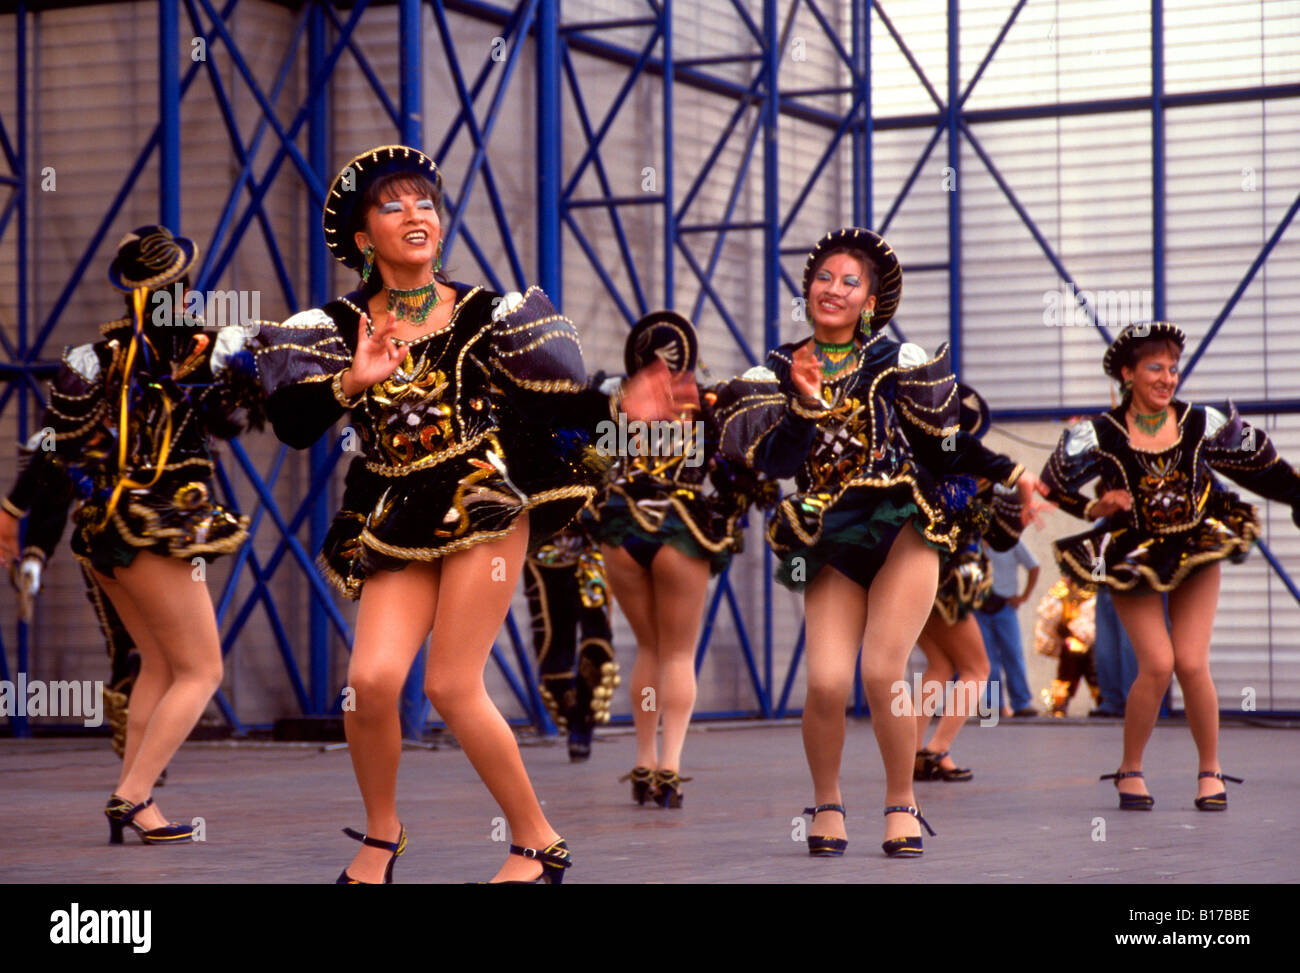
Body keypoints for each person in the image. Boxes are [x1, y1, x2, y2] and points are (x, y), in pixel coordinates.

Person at [254, 145, 681, 883]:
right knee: (373, 681)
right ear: (362, 239)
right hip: (396, 507)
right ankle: (382, 835)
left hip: (483, 500)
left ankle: (535, 838)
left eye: (426, 203)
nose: (415, 214)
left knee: (451, 683)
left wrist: (617, 403)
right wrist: (350, 384)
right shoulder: (336, 325)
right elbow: (291, 422)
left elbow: (554, 401)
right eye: (392, 205)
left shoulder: (489, 314)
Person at [714, 227, 1044, 856]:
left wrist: (1010, 471)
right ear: (807, 288)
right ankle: (829, 801)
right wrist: (804, 406)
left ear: (869, 301)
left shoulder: (897, 364)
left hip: (902, 525)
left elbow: (940, 445)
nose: (832, 288)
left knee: (884, 669)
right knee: (827, 681)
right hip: (827, 536)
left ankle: (902, 800)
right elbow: (773, 463)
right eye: (823, 277)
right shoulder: (777, 370)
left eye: (849, 281)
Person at [0, 225, 264, 844]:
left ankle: (138, 804)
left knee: (159, 667)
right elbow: (242, 413)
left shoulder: (91, 360)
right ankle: (132, 794)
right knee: (202, 671)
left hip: (100, 535)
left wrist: (13, 512)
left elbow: (49, 451)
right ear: (181, 283)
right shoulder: (203, 351)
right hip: (154, 529)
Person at [1041, 321, 1300, 811]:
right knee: (1157, 664)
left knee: (1191, 662)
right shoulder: (1099, 433)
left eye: (1173, 369)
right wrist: (1093, 509)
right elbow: (1052, 484)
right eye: (1155, 368)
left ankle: (1210, 770)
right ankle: (1130, 768)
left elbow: (1259, 464)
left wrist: (1295, 492)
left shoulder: (1203, 422)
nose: (1167, 378)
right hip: (1133, 555)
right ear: (1128, 373)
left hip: (1197, 544)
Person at [594, 311, 769, 808]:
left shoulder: (614, 401)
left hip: (620, 527)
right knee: (676, 654)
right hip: (682, 528)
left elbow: (589, 460)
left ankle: (643, 760)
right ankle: (669, 766)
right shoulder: (703, 403)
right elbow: (738, 467)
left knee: (648, 649)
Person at [914, 386, 1030, 781]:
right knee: (977, 668)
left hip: (911, 576)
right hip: (948, 578)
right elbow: (1000, 535)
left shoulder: (915, 461)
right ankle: (936, 748)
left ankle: (911, 752)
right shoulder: (967, 473)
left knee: (940, 665)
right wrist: (1021, 504)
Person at [522, 508, 619, 762]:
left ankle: (583, 721)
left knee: (597, 643)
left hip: (592, 548)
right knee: (551, 650)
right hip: (541, 554)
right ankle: (575, 716)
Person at [976, 533, 1040, 718]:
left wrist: (1024, 596)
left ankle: (1022, 702)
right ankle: (992, 705)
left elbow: (1034, 566)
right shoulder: (974, 541)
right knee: (987, 658)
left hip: (1005, 606)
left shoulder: (1012, 540)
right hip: (979, 607)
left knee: (1013, 653)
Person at [1033, 575, 1099, 716]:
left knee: (1094, 676)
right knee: (1066, 677)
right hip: (1069, 644)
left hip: (1090, 645)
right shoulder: (1060, 592)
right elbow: (1049, 621)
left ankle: (1102, 702)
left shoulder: (1094, 591)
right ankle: (1059, 706)